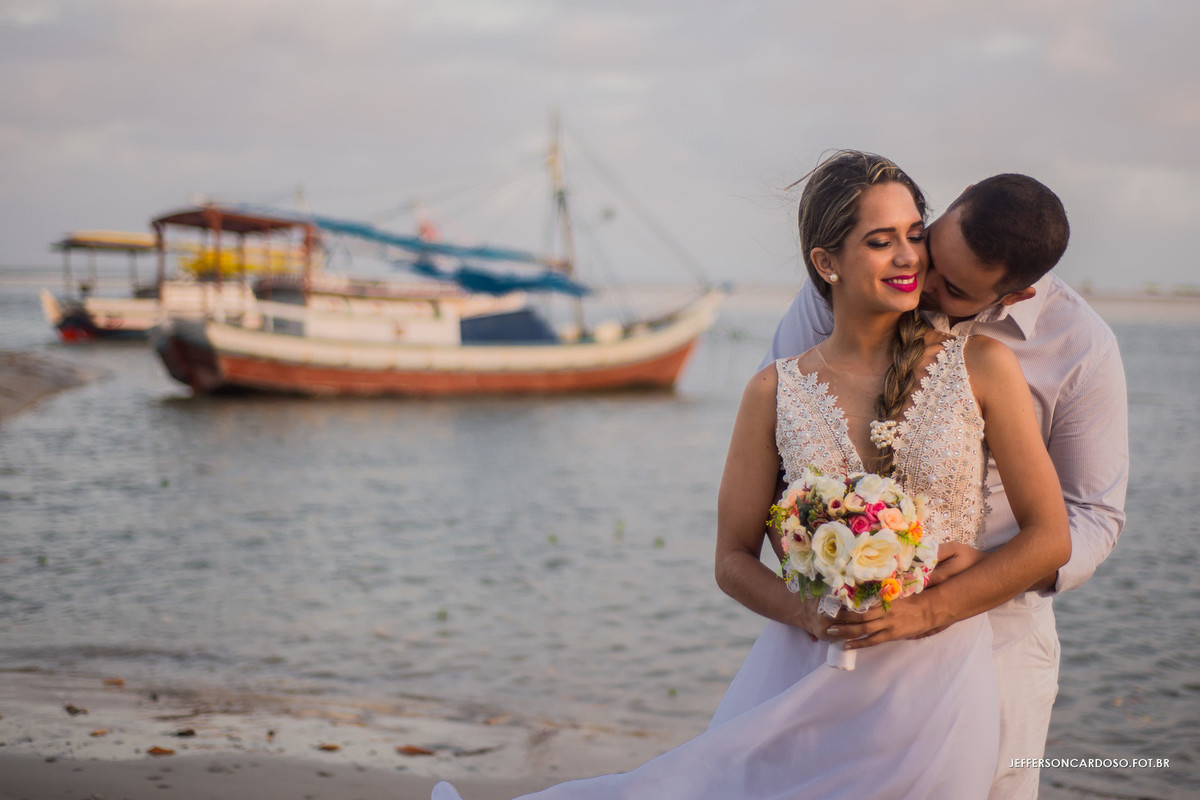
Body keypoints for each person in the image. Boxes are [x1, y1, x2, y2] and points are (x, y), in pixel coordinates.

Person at [433, 151, 1071, 800]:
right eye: (881, 242)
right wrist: (811, 612)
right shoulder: (775, 390)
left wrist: (927, 612)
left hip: (935, 684)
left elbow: (1050, 539)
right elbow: (732, 558)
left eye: (914, 234)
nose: (909, 256)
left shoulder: (983, 367)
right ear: (827, 263)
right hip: (801, 672)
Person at [761, 170, 1129, 799]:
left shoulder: (1080, 346)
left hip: (1001, 640)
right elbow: (792, 449)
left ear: (1013, 295)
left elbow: (1093, 515)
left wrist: (981, 575)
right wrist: (830, 576)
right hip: (844, 641)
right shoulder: (834, 293)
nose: (920, 281)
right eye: (931, 246)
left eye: (952, 288)